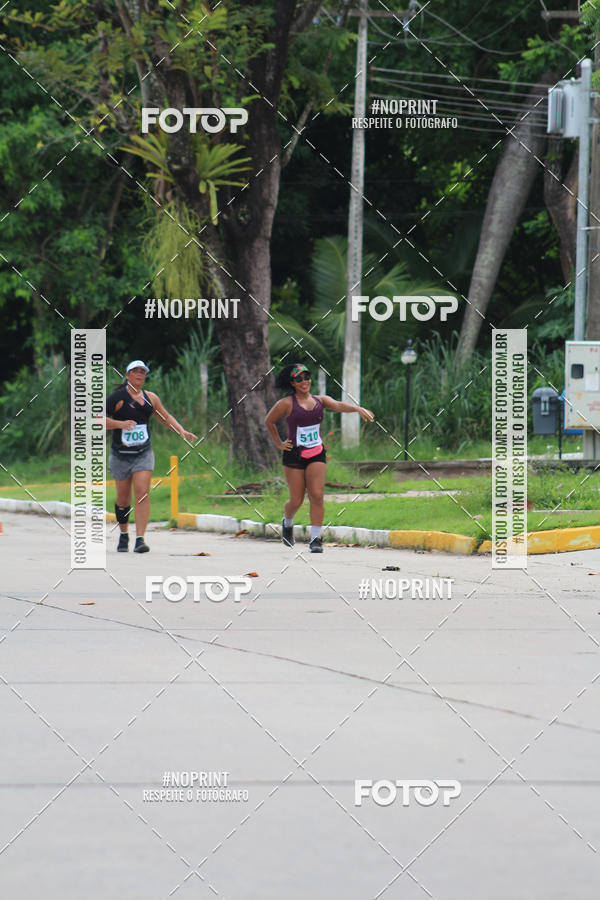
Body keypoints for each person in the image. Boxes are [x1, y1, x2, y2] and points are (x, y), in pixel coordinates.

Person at [265, 362, 374, 553]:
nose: (304, 381)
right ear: (292, 382)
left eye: (306, 377)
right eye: (299, 378)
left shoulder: (320, 401)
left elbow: (339, 405)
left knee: (317, 495)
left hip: (316, 452)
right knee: (296, 500)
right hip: (294, 455)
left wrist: (358, 409)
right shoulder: (286, 404)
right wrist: (279, 443)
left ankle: (316, 539)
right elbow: (269, 421)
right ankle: (287, 523)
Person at [105, 360, 197, 553]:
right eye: (135, 372)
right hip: (120, 455)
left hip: (143, 453)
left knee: (142, 492)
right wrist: (120, 425)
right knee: (123, 499)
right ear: (128, 375)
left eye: (143, 372)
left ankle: (140, 539)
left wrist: (181, 430)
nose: (139, 375)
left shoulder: (151, 398)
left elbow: (165, 416)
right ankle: (123, 535)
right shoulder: (117, 398)